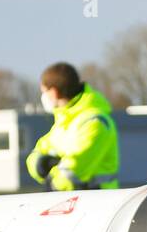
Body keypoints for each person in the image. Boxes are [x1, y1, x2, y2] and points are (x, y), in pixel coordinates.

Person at [25, 62, 119, 191]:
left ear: (53, 93)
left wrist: (51, 183)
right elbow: (36, 154)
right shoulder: (64, 121)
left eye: (44, 92)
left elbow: (73, 171)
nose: (43, 97)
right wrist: (41, 165)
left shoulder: (95, 122)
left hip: (97, 204)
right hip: (70, 202)